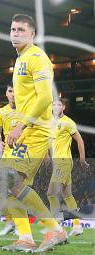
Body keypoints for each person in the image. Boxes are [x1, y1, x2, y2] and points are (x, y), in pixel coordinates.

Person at [0, 13, 66, 252]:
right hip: (25, 131)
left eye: (21, 30)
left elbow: (46, 97)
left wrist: (19, 125)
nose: (15, 33)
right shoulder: (22, 58)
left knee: (13, 182)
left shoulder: (37, 57)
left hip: (35, 130)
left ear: (32, 34)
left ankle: (54, 229)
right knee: (6, 183)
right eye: (13, 29)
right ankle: (25, 238)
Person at [47, 98, 89, 236]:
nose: (56, 106)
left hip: (63, 161)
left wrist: (82, 158)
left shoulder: (68, 122)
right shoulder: (50, 122)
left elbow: (80, 140)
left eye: (59, 104)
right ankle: (77, 227)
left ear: (63, 107)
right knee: (67, 195)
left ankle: (56, 223)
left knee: (51, 193)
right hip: (58, 161)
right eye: (54, 104)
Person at [0, 85, 19, 236]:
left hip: (23, 155)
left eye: (16, 90)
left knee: (18, 191)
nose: (13, 94)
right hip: (7, 156)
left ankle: (22, 227)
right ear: (6, 93)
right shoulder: (2, 112)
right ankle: (10, 222)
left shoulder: (27, 110)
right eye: (10, 91)